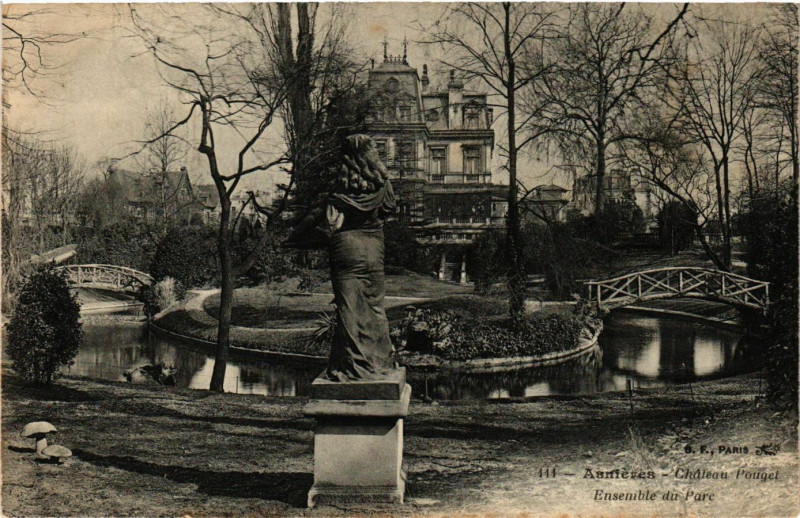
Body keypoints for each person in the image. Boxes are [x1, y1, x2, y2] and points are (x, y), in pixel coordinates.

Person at [288, 134, 397, 381]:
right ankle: (380, 364)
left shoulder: (340, 187)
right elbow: (389, 210)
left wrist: (294, 236)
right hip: (374, 250)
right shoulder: (384, 186)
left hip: (346, 250)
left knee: (349, 311)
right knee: (375, 307)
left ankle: (353, 368)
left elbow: (314, 222)